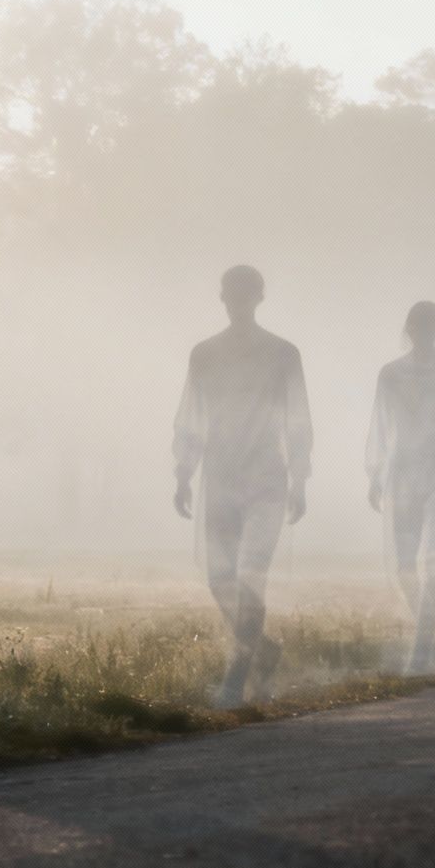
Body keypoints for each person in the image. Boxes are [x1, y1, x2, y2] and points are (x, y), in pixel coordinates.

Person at [172, 265, 312, 709]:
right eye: (232, 294)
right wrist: (183, 472)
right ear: (223, 298)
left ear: (259, 297)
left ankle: (237, 672)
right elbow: (191, 416)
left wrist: (300, 477)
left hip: (268, 475)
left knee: (251, 572)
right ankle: (263, 648)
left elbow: (298, 417)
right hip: (221, 474)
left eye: (245, 293)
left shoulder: (283, 353)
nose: (238, 302)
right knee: (219, 578)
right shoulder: (204, 354)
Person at [366, 301, 435, 672]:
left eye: (430, 324)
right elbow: (379, 427)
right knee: (403, 567)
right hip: (403, 475)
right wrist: (375, 474)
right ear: (409, 328)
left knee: (433, 560)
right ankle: (429, 635)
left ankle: (420, 650)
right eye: (418, 324)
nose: (423, 331)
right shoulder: (390, 374)